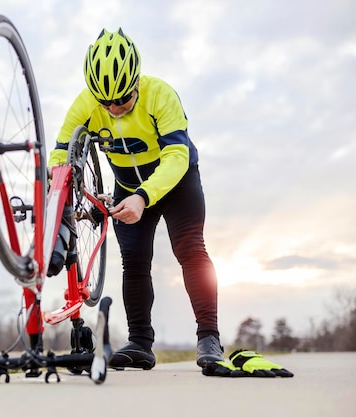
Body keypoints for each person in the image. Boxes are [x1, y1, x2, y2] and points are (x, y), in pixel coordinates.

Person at [48, 28, 224, 370]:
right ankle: (140, 342)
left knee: (189, 249)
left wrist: (144, 197)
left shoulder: (161, 94)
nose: (114, 109)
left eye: (123, 100)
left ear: (137, 82)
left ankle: (209, 337)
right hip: (126, 185)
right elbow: (59, 157)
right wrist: (59, 196)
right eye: (105, 102)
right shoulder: (85, 103)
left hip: (176, 182)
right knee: (134, 260)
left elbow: (177, 156)